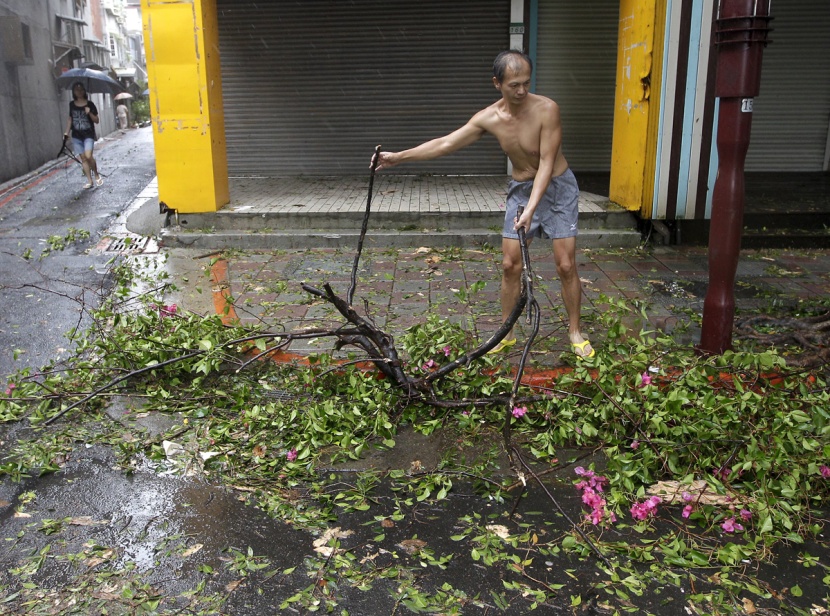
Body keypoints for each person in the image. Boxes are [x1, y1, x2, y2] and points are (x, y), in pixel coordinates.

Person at [374, 50, 594, 358]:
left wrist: (530, 210)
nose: (521, 91)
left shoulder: (547, 110)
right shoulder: (488, 118)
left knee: (566, 264)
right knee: (509, 264)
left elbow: (546, 162)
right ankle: (506, 333)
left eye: (526, 83)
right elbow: (445, 143)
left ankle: (575, 331)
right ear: (497, 83)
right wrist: (398, 157)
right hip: (521, 189)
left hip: (557, 187)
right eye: (514, 85)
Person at [63, 82, 103, 189]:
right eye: (76, 90)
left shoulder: (90, 104)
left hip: (88, 134)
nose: (79, 92)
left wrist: (89, 113)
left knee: (89, 155)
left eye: (81, 89)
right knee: (84, 159)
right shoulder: (71, 104)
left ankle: (96, 174)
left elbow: (97, 120)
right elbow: (70, 119)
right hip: (76, 136)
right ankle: (90, 181)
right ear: (74, 92)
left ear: (84, 91)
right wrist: (66, 132)